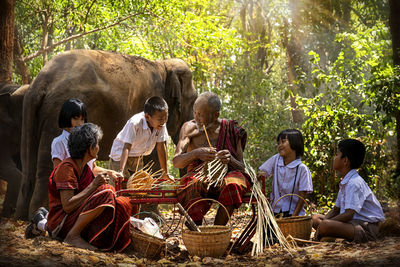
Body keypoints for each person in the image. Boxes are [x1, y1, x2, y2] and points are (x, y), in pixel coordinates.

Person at [44, 123, 131, 251]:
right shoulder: (66, 168)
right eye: (97, 144)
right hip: (61, 223)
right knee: (107, 191)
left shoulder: (85, 169)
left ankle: (102, 239)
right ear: (90, 148)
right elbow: (67, 206)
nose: (99, 147)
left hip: (76, 217)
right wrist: (94, 185)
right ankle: (72, 236)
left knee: (122, 202)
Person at [173, 92, 250, 226]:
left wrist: (229, 159)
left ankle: (217, 230)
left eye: (200, 114)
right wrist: (196, 153)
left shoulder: (231, 129)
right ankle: (195, 229)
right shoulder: (189, 128)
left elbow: (242, 168)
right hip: (199, 175)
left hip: (226, 176)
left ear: (216, 115)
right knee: (194, 184)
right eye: (195, 112)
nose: (196, 118)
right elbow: (177, 162)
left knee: (234, 184)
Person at [312, 139, 385, 243]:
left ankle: (335, 236)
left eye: (337, 154)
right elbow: (336, 210)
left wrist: (325, 224)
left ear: (345, 161)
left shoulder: (354, 183)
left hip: (368, 227)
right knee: (315, 218)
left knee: (325, 225)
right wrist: (325, 221)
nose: (334, 158)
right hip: (353, 223)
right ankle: (335, 236)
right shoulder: (346, 181)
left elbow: (348, 214)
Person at [109, 96, 170, 181]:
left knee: (140, 184)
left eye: (166, 118)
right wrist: (121, 171)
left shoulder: (161, 124)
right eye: (160, 119)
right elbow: (126, 147)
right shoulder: (135, 123)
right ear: (147, 117)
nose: (163, 121)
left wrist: (165, 173)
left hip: (138, 156)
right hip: (121, 156)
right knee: (120, 182)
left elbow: (161, 147)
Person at [258, 129, 313, 217]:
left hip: (293, 213)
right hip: (275, 212)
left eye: (283, 141)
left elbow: (302, 196)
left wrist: (293, 217)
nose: (280, 145)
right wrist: (262, 175)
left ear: (295, 143)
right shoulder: (276, 159)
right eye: (278, 143)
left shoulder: (302, 169)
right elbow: (263, 172)